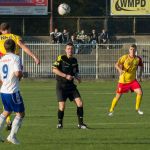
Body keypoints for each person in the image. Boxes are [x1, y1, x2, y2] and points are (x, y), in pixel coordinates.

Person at [0, 22, 40, 130]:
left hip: (2, 64)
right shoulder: (14, 37)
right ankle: (14, 125)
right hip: (13, 65)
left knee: (5, 89)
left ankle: (8, 120)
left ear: (1, 30)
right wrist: (34, 57)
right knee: (13, 89)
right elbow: (24, 47)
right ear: (9, 28)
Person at [52, 42, 87, 129]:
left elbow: (75, 72)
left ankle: (80, 124)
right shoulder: (61, 58)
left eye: (71, 49)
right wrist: (65, 76)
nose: (70, 50)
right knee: (62, 106)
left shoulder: (74, 60)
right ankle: (60, 124)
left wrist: (78, 78)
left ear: (73, 50)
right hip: (61, 86)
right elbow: (54, 69)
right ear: (65, 50)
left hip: (71, 86)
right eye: (68, 49)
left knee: (80, 103)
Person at [0, 39, 25, 144]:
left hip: (3, 90)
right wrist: (22, 74)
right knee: (21, 114)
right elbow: (17, 73)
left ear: (5, 48)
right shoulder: (16, 58)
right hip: (13, 91)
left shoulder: (1, 59)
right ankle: (12, 136)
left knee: (6, 111)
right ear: (15, 48)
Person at [108, 44, 144, 116]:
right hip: (123, 81)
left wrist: (139, 76)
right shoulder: (124, 57)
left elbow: (142, 66)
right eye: (131, 49)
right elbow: (116, 65)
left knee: (140, 92)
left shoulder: (138, 59)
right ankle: (111, 110)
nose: (132, 51)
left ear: (136, 50)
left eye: (134, 49)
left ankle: (137, 109)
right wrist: (119, 70)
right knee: (118, 97)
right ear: (129, 50)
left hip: (133, 81)